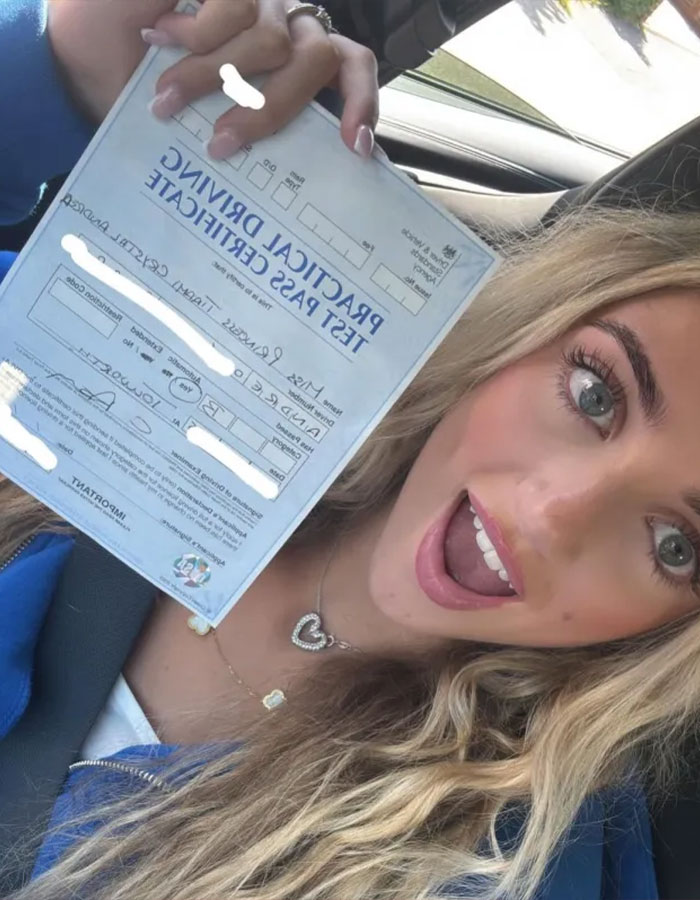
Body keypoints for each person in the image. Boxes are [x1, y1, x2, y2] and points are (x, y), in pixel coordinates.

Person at [0, 1, 696, 898]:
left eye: (676, 546)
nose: (552, 514)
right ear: (521, 334)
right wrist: (55, 77)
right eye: (595, 392)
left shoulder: (513, 863)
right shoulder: (141, 369)